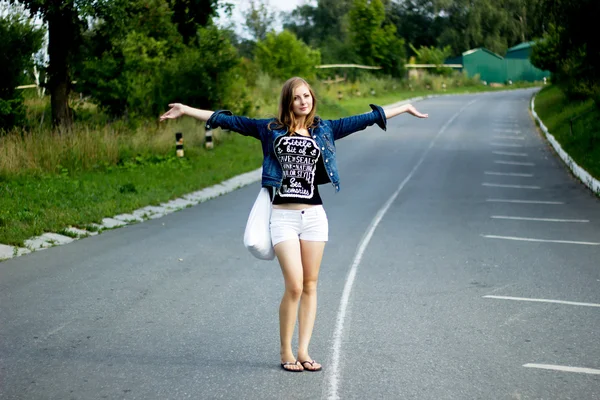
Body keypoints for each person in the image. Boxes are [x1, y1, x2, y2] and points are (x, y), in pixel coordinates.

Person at [159, 77, 428, 372]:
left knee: (311, 285)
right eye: (297, 97)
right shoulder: (270, 130)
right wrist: (185, 109)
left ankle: (304, 351)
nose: (303, 101)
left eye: (307, 96)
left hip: (314, 217)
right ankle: (286, 351)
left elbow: (366, 119)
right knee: (295, 286)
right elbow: (229, 120)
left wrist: (403, 108)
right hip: (283, 218)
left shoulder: (324, 130)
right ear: (288, 101)